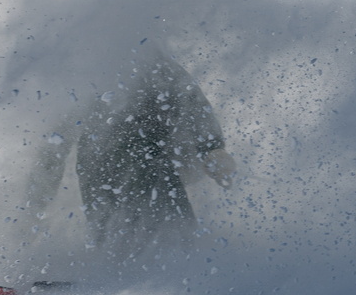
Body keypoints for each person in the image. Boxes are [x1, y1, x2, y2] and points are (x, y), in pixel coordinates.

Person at [26, 46, 235, 258]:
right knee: (112, 234)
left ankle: (177, 259)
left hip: (150, 161)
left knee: (167, 226)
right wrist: (34, 206)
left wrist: (212, 149)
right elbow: (55, 144)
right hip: (98, 168)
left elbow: (192, 102)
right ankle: (118, 266)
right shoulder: (80, 72)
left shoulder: (150, 59)